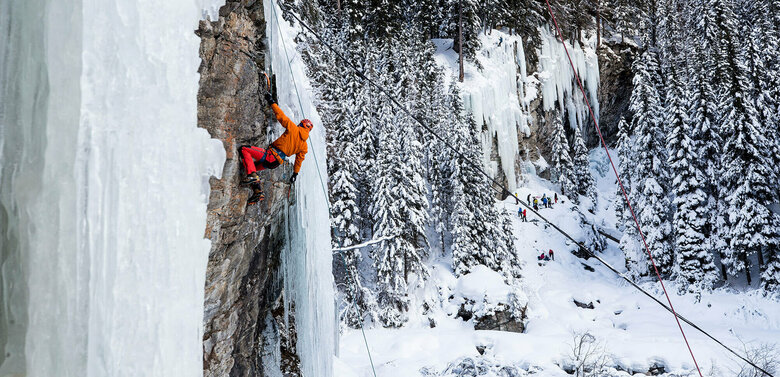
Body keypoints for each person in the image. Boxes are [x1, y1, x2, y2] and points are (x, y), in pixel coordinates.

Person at [239, 92, 313, 203]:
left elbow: (281, 116)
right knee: (250, 167)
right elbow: (299, 161)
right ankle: (258, 191)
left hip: (271, 156)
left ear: (301, 124)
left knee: (244, 150)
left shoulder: (294, 128)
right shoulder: (304, 146)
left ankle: (253, 177)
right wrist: (295, 174)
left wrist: (271, 102)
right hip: (276, 163)